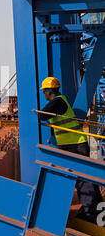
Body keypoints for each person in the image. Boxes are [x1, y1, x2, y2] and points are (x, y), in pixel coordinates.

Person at [38, 76, 103, 224]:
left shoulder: (58, 101)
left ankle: (92, 216)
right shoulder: (60, 101)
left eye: (44, 92)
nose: (44, 94)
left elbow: (42, 115)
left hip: (74, 146)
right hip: (75, 145)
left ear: (49, 91)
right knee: (87, 179)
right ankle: (100, 213)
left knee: (82, 181)